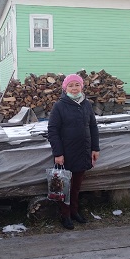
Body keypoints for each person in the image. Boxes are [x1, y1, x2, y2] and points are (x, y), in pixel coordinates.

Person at [47, 74, 100, 229]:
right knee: (65, 186)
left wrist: (95, 148)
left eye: (77, 85)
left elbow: (93, 127)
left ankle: (74, 212)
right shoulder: (59, 106)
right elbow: (53, 131)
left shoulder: (86, 104)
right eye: (71, 85)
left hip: (83, 151)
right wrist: (58, 153)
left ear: (81, 87)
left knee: (76, 186)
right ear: (65, 88)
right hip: (66, 153)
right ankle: (65, 215)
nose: (74, 88)